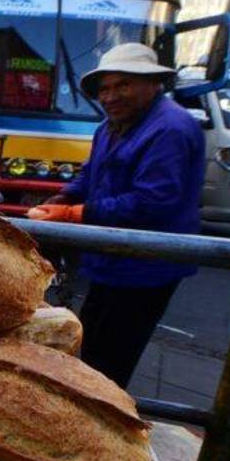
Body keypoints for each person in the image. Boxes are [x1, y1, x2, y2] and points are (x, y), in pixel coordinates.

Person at [29, 43, 205, 388]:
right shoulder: (109, 126)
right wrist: (64, 195)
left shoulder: (170, 129)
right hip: (109, 259)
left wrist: (73, 213)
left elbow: (152, 203)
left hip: (145, 266)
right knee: (92, 342)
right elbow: (91, 174)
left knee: (112, 359)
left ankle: (100, 419)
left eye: (123, 85)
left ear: (152, 84)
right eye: (105, 89)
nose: (111, 96)